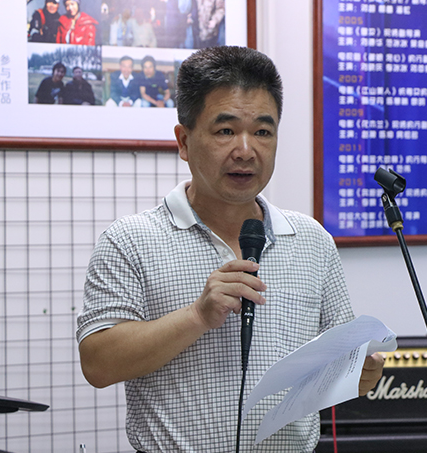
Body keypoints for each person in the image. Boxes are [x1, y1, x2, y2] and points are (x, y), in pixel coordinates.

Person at [77, 46, 385, 452]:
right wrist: (197, 316)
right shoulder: (130, 240)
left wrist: (359, 372)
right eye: (225, 131)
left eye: (263, 132)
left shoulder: (312, 241)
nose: (245, 150)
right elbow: (98, 364)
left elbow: (340, 358)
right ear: (184, 141)